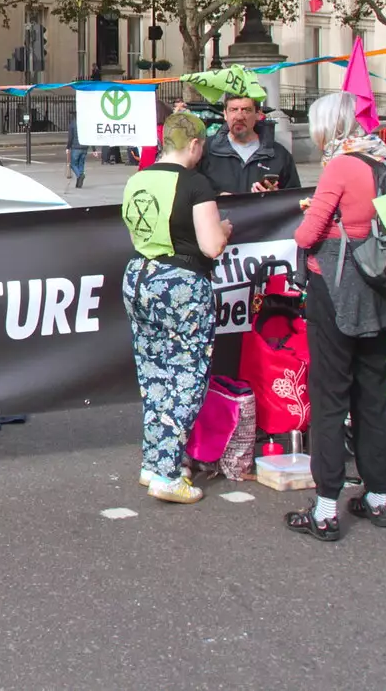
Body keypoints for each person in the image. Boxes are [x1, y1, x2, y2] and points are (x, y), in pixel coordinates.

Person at [286, 92, 386, 542]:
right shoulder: (384, 160)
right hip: (381, 287)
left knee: (330, 396)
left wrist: (315, 217)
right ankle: (379, 497)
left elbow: (307, 232)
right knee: (373, 394)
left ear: (328, 128)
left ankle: (327, 506)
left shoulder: (341, 166)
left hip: (336, 288)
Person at [119, 111, 232, 504]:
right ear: (196, 145)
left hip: (138, 275)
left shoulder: (138, 179)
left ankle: (153, 461)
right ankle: (168, 472)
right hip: (180, 282)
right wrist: (226, 230)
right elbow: (211, 246)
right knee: (186, 374)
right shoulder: (196, 184)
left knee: (153, 372)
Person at [198, 92, 300, 194]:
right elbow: (189, 192)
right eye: (233, 110)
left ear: (258, 115)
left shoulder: (279, 155)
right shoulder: (205, 149)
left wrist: (275, 196)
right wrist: (216, 197)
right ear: (225, 114)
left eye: (246, 110)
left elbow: (294, 199)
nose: (239, 117)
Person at [66, 118, 87, 189]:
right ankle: (79, 183)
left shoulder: (73, 123)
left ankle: (79, 176)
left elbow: (70, 137)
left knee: (73, 164)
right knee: (81, 163)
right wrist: (94, 149)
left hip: (76, 147)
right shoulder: (86, 123)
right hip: (85, 147)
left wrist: (68, 147)